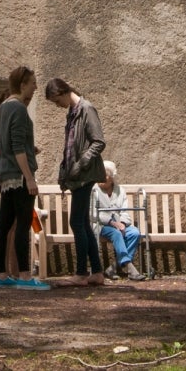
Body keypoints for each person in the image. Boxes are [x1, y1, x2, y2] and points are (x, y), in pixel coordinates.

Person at [0, 67, 49, 290]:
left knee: (3, 224)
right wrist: (30, 179)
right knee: (23, 224)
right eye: (33, 83)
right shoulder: (18, 109)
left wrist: (28, 147)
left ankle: (0, 274)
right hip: (18, 176)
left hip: (4, 175)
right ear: (22, 84)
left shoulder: (3, 108)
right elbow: (16, 147)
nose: (35, 87)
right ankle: (25, 276)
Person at [47, 78, 109, 286]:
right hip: (77, 176)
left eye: (56, 100)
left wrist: (81, 164)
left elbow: (99, 141)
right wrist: (65, 172)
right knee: (82, 223)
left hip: (85, 175)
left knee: (76, 222)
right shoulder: (73, 112)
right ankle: (97, 272)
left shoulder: (87, 109)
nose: (57, 105)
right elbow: (69, 146)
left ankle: (81, 273)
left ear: (63, 92)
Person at [92, 161, 145, 280]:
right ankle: (130, 268)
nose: (100, 177)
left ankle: (113, 268)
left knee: (134, 233)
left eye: (104, 175)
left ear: (112, 178)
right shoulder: (93, 190)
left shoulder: (120, 190)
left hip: (118, 225)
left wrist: (123, 223)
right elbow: (93, 214)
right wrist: (112, 223)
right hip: (100, 226)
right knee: (115, 233)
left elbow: (125, 211)